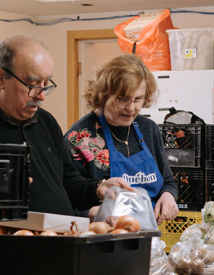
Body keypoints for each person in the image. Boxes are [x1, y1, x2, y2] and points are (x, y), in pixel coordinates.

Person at [0, 35, 129, 215]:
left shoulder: (46, 122)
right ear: (0, 77)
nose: (41, 95)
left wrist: (97, 188)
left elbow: (68, 183)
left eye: (46, 84)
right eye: (33, 84)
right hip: (5, 249)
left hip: (60, 242)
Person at [64, 54, 179, 224]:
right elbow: (66, 204)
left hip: (149, 238)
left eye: (138, 99)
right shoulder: (80, 138)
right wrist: (102, 214)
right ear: (104, 94)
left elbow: (167, 181)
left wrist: (168, 196)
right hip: (102, 238)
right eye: (123, 99)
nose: (131, 108)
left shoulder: (148, 129)